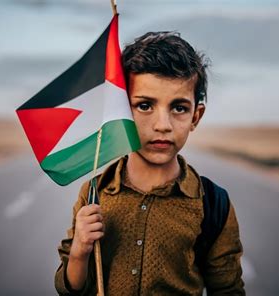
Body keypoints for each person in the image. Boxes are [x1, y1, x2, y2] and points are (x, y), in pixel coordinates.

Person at [54, 31, 245, 295]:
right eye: (144, 106)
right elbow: (70, 288)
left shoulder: (213, 204)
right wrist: (79, 252)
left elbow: (228, 289)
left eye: (178, 108)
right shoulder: (94, 193)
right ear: (122, 110)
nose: (162, 125)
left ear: (196, 117)